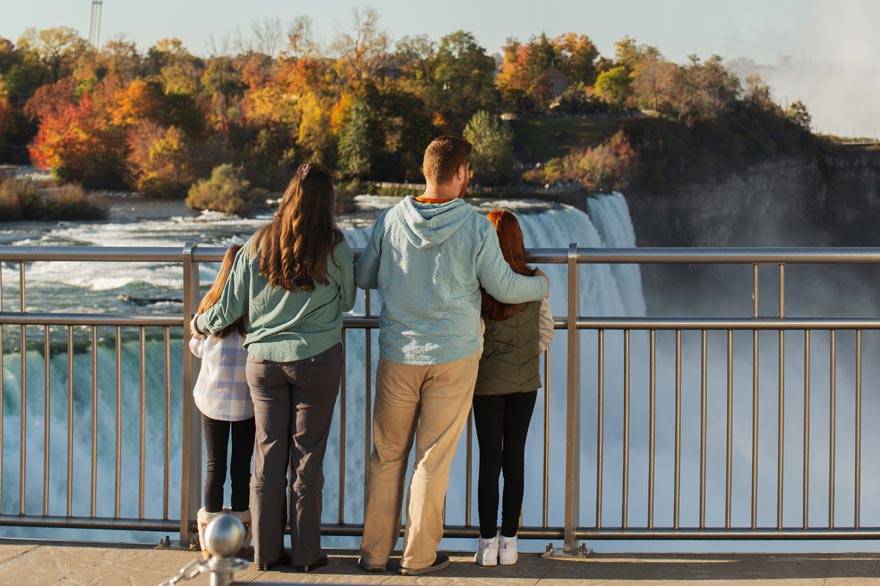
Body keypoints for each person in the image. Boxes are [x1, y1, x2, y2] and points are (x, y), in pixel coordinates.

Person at [356, 136, 549, 576]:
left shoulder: (390, 220)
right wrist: (541, 286)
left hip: (398, 354)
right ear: (461, 174)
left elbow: (366, 276)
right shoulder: (476, 227)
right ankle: (418, 557)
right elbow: (503, 287)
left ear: (425, 171)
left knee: (386, 458)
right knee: (431, 459)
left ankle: (373, 554)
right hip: (454, 356)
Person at [192, 163, 355, 573]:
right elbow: (349, 299)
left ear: (287, 197)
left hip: (263, 363)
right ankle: (306, 554)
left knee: (267, 455)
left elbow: (228, 306)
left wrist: (200, 323)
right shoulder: (334, 247)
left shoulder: (257, 244)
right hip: (317, 360)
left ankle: (265, 552)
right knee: (306, 458)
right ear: (328, 203)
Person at [471, 209, 554, 567]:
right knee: (513, 459)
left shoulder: (478, 284)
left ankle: (487, 545)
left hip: (486, 383)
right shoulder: (536, 281)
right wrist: (522, 357)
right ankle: (511, 543)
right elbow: (546, 333)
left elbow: (473, 338)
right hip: (525, 383)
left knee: (489, 461)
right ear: (520, 241)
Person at [190, 244, 255, 559]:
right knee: (241, 467)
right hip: (246, 401)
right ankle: (241, 540)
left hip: (212, 398)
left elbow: (197, 347)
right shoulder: (253, 307)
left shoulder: (210, 303)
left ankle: (209, 539)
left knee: (214, 465)